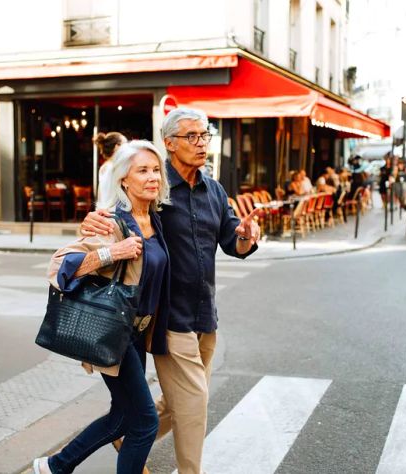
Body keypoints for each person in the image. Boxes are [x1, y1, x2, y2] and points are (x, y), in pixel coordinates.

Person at [80, 107, 260, 474]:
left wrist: (245, 238)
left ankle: (127, 436)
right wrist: (95, 219)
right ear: (170, 143)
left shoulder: (214, 189)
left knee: (186, 400)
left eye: (204, 135)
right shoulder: (156, 189)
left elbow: (231, 240)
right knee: (194, 404)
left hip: (205, 314)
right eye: (191, 137)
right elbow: (120, 215)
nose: (201, 144)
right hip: (168, 318)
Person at [33, 140, 172, 474]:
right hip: (113, 332)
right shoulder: (111, 222)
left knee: (123, 415)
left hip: (136, 334)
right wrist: (112, 252)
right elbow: (59, 267)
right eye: (142, 170)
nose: (152, 177)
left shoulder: (156, 219)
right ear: (124, 179)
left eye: (156, 170)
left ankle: (54, 466)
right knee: (145, 422)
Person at [95, 131, 128, 208]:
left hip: (105, 212)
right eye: (126, 144)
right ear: (117, 146)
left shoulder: (104, 167)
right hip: (115, 213)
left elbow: (100, 194)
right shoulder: (116, 167)